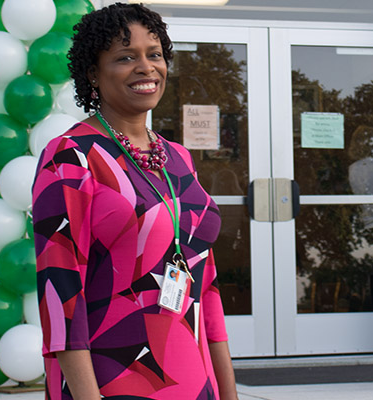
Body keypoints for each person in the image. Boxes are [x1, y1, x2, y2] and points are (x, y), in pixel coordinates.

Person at [32, 4, 238, 399]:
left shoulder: (177, 157)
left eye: (154, 54)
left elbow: (206, 288)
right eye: (126, 57)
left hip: (194, 378)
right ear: (93, 72)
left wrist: (227, 390)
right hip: (114, 377)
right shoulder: (71, 157)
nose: (146, 67)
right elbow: (60, 297)